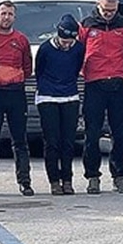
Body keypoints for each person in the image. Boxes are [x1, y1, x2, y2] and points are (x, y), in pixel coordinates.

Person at [79, 0, 123, 194]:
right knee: (92, 134)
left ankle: (120, 176)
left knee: (120, 134)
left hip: (118, 84)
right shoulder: (87, 25)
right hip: (94, 85)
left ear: (118, 6)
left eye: (112, 10)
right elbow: (78, 52)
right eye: (105, 9)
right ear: (98, 5)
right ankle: (92, 177)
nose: (108, 13)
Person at [0, 0, 33, 197]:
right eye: (3, 13)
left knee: (20, 140)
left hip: (15, 93)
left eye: (10, 14)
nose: (6, 17)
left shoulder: (21, 40)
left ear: (14, 17)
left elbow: (27, 68)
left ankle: (25, 182)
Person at [36, 15, 84, 196]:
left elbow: (77, 67)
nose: (67, 45)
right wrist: (47, 87)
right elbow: (39, 70)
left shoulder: (78, 48)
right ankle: (54, 181)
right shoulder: (45, 49)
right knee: (52, 142)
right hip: (48, 97)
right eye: (64, 42)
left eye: (70, 42)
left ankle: (67, 180)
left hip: (70, 97)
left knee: (68, 142)